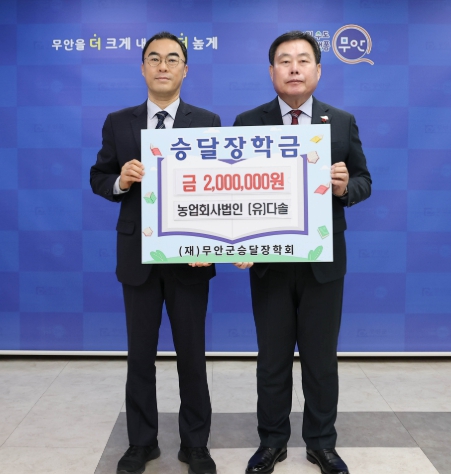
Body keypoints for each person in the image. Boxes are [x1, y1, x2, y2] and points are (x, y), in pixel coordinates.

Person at [232, 31, 372, 474]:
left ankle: (321, 444)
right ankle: (271, 442)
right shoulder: (247, 122)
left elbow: (365, 181)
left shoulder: (341, 122)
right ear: (272, 71)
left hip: (322, 263)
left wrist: (345, 187)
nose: (294, 68)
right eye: (285, 60)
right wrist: (235, 238)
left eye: (303, 60)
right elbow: (234, 190)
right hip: (268, 262)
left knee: (320, 360)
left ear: (318, 70)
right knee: (272, 360)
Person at [90, 31, 219, 474]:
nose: (163, 66)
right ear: (143, 68)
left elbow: (218, 189)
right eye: (154, 59)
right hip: (138, 256)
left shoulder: (208, 122)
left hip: (190, 256)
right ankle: (141, 443)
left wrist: (211, 243)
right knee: (140, 357)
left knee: (192, 357)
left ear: (185, 69)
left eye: (172, 59)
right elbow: (99, 176)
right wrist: (121, 180)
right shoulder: (119, 122)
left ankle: (195, 444)